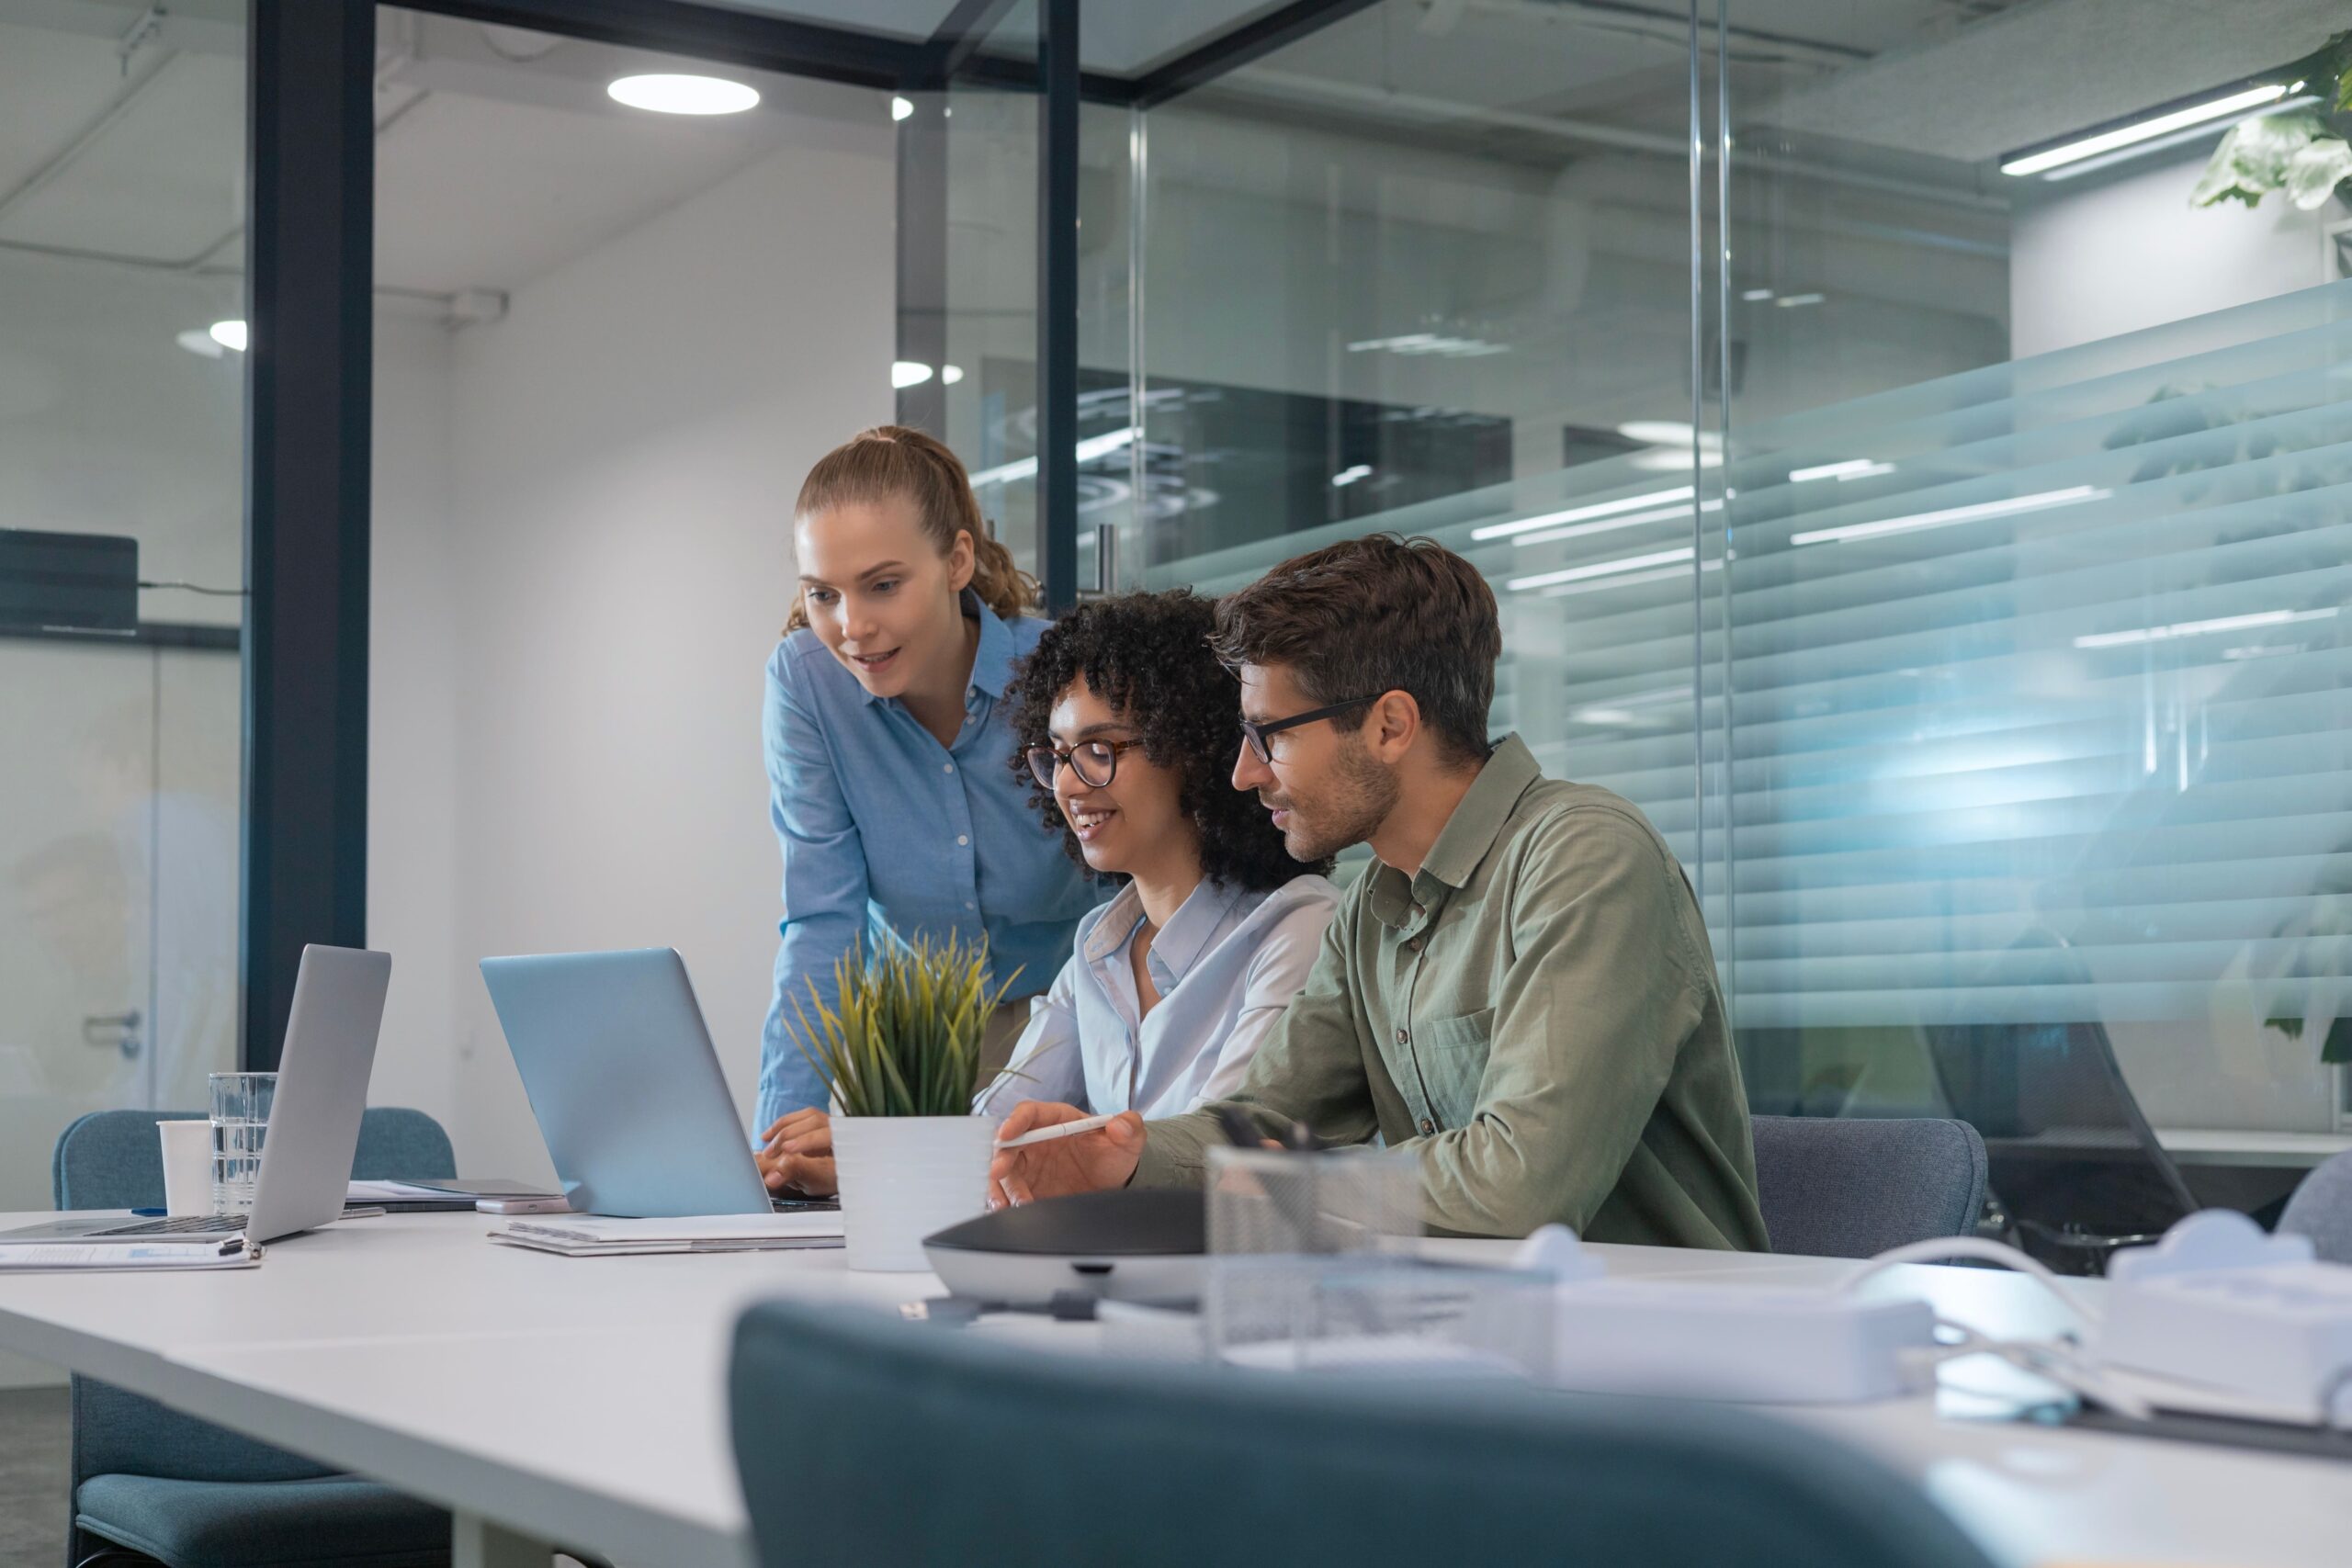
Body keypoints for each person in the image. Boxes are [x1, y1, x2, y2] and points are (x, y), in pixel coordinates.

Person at [988, 535, 1770, 1248]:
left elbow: (1524, 1183)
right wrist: (1126, 1153)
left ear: (1391, 725)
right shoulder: (1372, 910)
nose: (1243, 772)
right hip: (1485, 1339)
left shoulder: (1585, 858)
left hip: (1666, 1357)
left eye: (1273, 735)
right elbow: (1264, 1122)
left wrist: (1303, 1185)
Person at [761, 590, 1342, 1195]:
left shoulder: (1296, 929)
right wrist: (866, 1154)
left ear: (1193, 750)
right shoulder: (1098, 947)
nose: (1067, 783)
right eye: (1058, 755)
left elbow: (1225, 1151)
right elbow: (998, 1126)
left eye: (1099, 750)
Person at [752, 426, 1102, 1173]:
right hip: (907, 1044)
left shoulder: (1062, 676)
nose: (853, 628)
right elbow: (822, 921)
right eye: (823, 594)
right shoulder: (807, 683)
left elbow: (1136, 892)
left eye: (883, 584)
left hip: (1071, 1028)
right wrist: (778, 1146)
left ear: (957, 561)